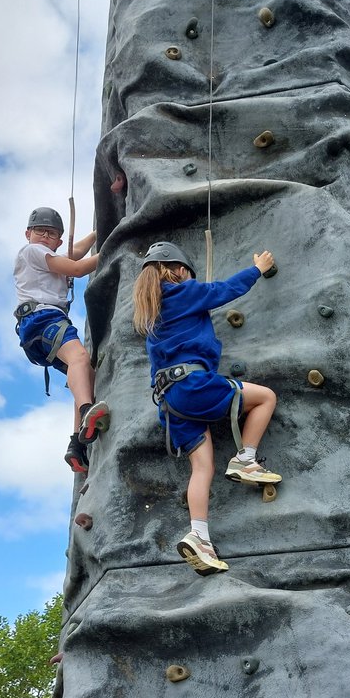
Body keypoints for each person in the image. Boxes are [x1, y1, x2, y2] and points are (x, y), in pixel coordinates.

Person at [133, 242, 281, 575]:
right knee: (265, 397)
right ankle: (246, 459)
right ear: (179, 270)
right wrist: (258, 267)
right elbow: (225, 290)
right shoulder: (182, 291)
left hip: (170, 403)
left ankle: (199, 535)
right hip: (193, 385)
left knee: (202, 468)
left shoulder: (151, 312)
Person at [13, 207, 108, 474]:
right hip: (44, 319)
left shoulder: (46, 256)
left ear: (58, 240)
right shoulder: (31, 251)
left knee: (85, 374)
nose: (45, 236)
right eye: (40, 231)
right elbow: (77, 268)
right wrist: (114, 246)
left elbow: (73, 254)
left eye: (52, 233)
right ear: (28, 234)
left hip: (34, 330)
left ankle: (76, 445)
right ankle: (88, 410)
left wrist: (97, 234)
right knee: (79, 358)